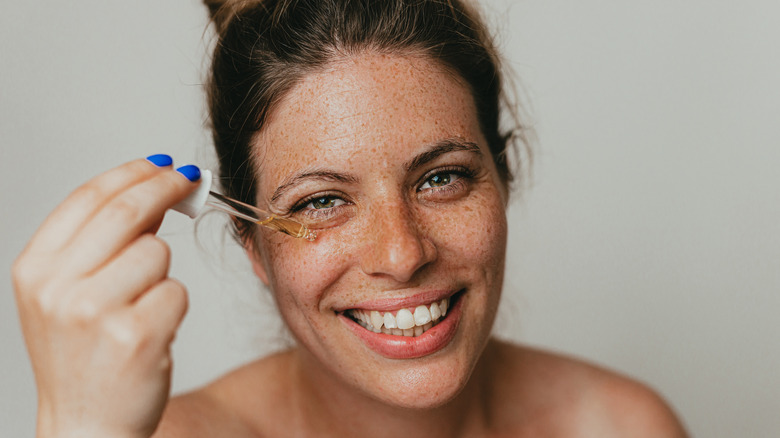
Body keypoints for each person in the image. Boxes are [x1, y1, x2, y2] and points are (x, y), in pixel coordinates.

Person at [12, 0, 689, 436]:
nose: (402, 254)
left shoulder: (621, 426)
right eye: (321, 201)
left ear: (503, 178)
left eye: (442, 177)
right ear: (250, 240)